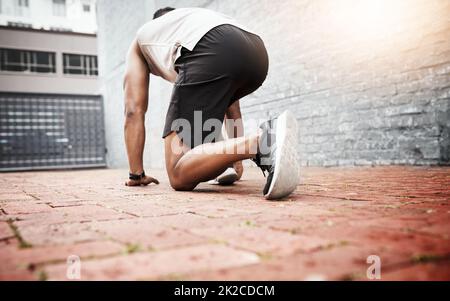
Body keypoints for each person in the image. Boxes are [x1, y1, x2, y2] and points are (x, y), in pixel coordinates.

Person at [123, 7, 300, 199]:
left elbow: (133, 110)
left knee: (178, 172)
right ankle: (250, 149)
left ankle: (263, 141)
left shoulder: (141, 39)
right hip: (255, 53)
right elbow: (232, 110)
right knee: (200, 146)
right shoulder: (195, 19)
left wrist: (136, 173)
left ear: (157, 21)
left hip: (210, 48)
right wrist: (236, 161)